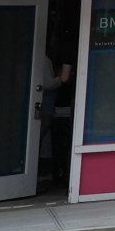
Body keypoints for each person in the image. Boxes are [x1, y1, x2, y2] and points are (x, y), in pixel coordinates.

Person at [38, 48, 75, 189]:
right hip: (50, 107)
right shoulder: (44, 59)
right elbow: (48, 83)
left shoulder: (46, 59)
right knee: (44, 140)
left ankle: (47, 174)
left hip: (53, 108)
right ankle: (45, 174)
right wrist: (61, 79)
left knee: (49, 141)